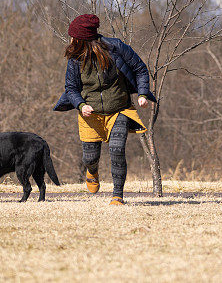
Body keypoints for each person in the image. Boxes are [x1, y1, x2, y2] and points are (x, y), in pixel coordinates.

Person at [54, 14, 155, 205]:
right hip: (90, 114)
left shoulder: (116, 48)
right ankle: (92, 170)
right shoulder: (75, 59)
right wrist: (81, 105)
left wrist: (142, 93)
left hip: (119, 109)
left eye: (73, 37)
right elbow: (71, 88)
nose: (71, 40)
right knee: (89, 157)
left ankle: (118, 195)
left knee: (117, 149)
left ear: (82, 38)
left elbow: (140, 69)